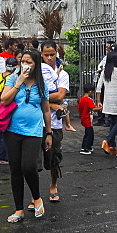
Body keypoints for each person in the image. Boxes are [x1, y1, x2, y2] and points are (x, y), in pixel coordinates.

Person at [0, 48, 52, 223]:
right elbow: (4, 99)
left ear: (36, 64)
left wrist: (49, 133)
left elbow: (46, 109)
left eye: (29, 62)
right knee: (15, 169)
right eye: (23, 62)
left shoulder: (41, 83)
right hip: (12, 131)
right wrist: (19, 80)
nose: (25, 65)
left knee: (28, 166)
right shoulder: (13, 78)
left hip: (34, 131)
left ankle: (37, 198)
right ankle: (18, 209)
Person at [40, 40, 70, 202]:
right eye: (46, 55)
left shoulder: (62, 74)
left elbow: (60, 96)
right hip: (37, 123)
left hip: (55, 124)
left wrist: (41, 97)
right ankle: (34, 194)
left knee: (54, 157)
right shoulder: (36, 73)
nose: (50, 58)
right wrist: (51, 103)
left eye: (52, 54)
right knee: (34, 161)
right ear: (41, 55)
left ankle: (53, 185)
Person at [96, 51, 117, 156]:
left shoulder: (104, 72)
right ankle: (107, 141)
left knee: (112, 122)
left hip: (107, 101)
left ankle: (112, 146)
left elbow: (98, 88)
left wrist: (99, 101)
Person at [0, 58, 17, 165]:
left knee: (1, 133)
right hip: (5, 108)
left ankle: (3, 155)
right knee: (4, 135)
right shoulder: (10, 79)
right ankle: (1, 157)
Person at [78, 83, 98, 154]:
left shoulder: (81, 99)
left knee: (89, 133)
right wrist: (100, 108)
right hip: (88, 118)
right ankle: (85, 148)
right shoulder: (89, 99)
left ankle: (88, 147)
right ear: (90, 91)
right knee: (89, 134)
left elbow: (79, 108)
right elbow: (93, 108)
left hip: (83, 117)